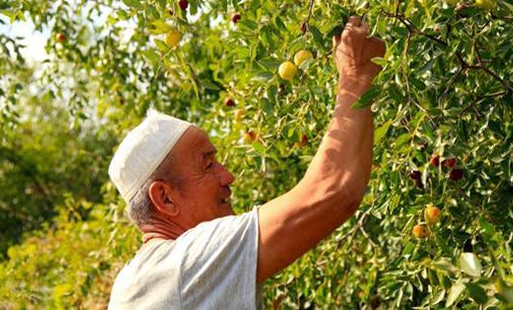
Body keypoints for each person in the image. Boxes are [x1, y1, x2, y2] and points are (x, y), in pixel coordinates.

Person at [107, 16, 386, 309]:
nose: (228, 176)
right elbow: (333, 192)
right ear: (165, 198)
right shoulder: (184, 265)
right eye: (207, 165)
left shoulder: (133, 282)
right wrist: (356, 75)